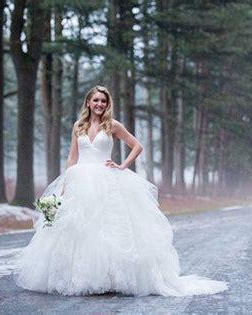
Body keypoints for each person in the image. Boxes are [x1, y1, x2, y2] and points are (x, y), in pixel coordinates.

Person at [14, 86, 228, 296]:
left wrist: (123, 165)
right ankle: (83, 276)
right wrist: (66, 183)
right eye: (96, 100)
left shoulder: (112, 125)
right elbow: (72, 156)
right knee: (79, 229)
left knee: (109, 228)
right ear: (88, 102)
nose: (99, 104)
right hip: (79, 180)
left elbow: (136, 145)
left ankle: (112, 278)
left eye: (103, 101)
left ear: (107, 104)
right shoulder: (78, 125)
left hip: (106, 179)